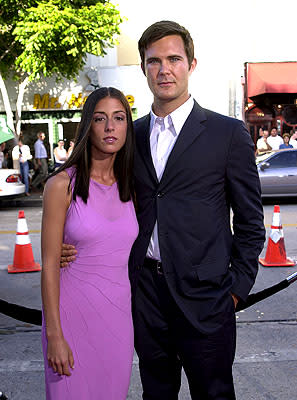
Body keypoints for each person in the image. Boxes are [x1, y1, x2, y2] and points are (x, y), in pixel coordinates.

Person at [61, 21, 265, 400]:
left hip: (207, 297)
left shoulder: (227, 134)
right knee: (156, 394)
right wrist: (65, 243)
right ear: (143, 69)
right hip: (144, 295)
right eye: (154, 61)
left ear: (191, 64)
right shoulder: (129, 135)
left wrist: (236, 290)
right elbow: (92, 192)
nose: (164, 69)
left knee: (214, 394)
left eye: (174, 59)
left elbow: (252, 222)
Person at [41, 87, 138, 399]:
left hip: (118, 323)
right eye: (100, 118)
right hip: (69, 320)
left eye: (119, 118)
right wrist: (54, 334)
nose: (110, 127)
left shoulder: (132, 186)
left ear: (127, 127)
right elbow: (48, 267)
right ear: (87, 126)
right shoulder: (60, 185)